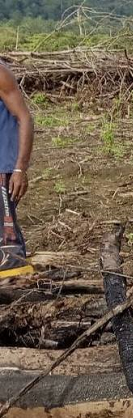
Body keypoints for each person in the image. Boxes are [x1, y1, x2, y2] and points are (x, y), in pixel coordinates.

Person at [0, 60, 34, 278]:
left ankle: (18, 289)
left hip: (2, 167)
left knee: (6, 238)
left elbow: (25, 118)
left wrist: (20, 168)